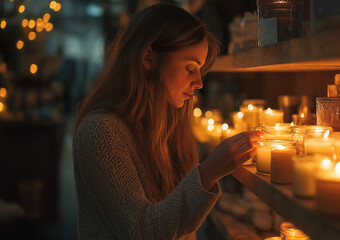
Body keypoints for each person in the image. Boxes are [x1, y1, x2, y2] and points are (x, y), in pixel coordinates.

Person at [73, 3, 264, 239]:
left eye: (200, 70)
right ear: (148, 58)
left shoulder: (168, 125)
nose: (199, 83)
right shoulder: (101, 133)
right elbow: (143, 230)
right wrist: (208, 173)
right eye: (190, 68)